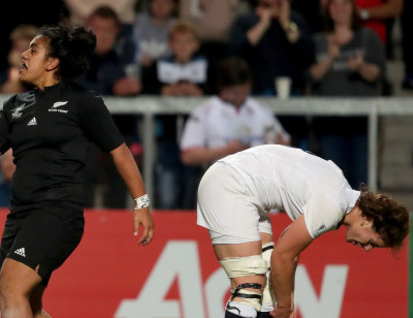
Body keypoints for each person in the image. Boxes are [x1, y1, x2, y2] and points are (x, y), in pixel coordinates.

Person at [0, 23, 155, 318]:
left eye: (33, 50)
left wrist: (142, 203)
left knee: (12, 288)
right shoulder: (16, 105)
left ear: (52, 62)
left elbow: (118, 151)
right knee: (26, 306)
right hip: (20, 215)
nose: (24, 54)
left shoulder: (84, 102)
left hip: (58, 211)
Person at [196, 144, 410, 318]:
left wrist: (285, 297)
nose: (365, 249)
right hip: (229, 186)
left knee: (262, 293)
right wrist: (285, 304)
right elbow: (283, 255)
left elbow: (290, 254)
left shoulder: (340, 196)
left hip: (243, 188)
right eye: (372, 242)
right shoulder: (332, 205)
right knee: (248, 286)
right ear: (368, 221)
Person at [309, 0, 386, 189]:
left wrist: (360, 67)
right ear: (328, 10)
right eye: (334, 4)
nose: (339, 9)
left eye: (344, 4)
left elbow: (378, 73)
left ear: (353, 8)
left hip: (361, 124)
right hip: (329, 125)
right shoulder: (318, 41)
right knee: (333, 183)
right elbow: (310, 76)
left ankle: (363, 219)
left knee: (362, 181)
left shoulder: (368, 37)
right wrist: (330, 58)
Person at [141, 19, 211, 209]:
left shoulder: (208, 67)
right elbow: (144, 88)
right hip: (167, 142)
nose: (183, 46)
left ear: (196, 44)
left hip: (196, 144)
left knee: (191, 197)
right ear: (170, 44)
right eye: (178, 41)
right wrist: (164, 91)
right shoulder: (157, 67)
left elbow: (217, 92)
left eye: (188, 41)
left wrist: (199, 92)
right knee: (167, 198)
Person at [79, 5, 143, 208]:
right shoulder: (74, 54)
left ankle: (117, 224)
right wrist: (112, 88)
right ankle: (82, 223)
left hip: (120, 130)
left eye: (107, 30)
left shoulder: (126, 52)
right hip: (85, 131)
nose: (101, 36)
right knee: (82, 166)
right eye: (96, 29)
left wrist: (131, 86)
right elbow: (76, 87)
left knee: (122, 166)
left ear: (116, 31)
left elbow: (135, 84)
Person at [229, 0, 315, 148]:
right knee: (258, 151)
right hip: (255, 98)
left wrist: (286, 22)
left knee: (294, 151)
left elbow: (308, 56)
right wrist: (262, 24)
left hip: (292, 99)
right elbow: (235, 54)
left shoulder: (296, 20)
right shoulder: (246, 20)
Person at [180, 55, 289, 169]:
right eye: (234, 92)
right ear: (222, 88)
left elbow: (285, 144)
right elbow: (188, 155)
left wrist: (279, 144)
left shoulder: (261, 109)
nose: (240, 96)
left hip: (260, 175)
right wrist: (226, 151)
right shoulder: (204, 111)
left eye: (244, 90)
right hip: (222, 174)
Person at [0, 25, 38, 94]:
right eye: (18, 49)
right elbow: (8, 95)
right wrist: (17, 69)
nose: (23, 55)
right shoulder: (4, 74)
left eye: (26, 50)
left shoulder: (44, 72)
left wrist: (20, 66)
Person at [134, 0, 178, 68]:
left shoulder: (177, 26)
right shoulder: (136, 21)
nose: (160, 6)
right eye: (156, 2)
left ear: (173, 6)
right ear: (150, 3)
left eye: (166, 2)